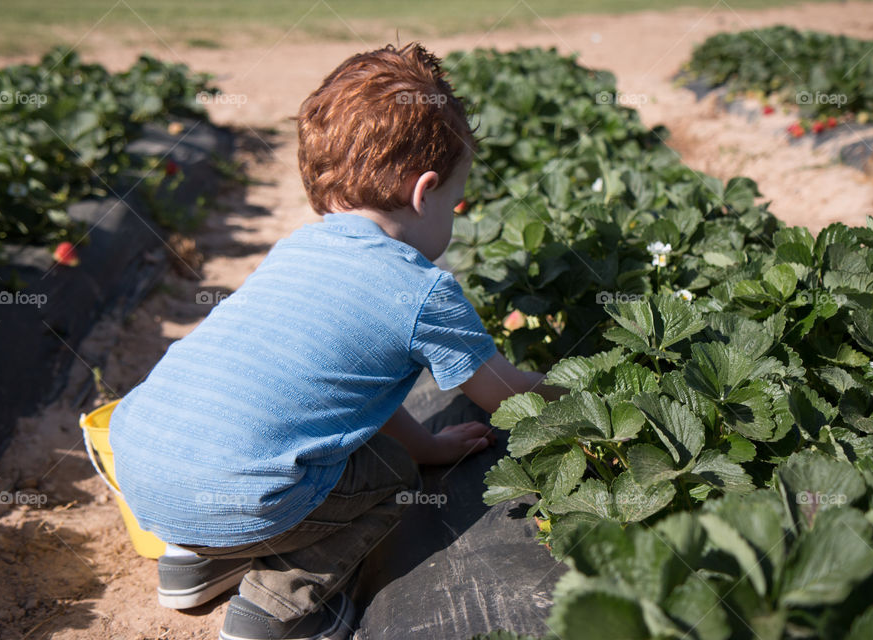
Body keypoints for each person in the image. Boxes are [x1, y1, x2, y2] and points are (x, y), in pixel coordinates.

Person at [109, 42, 559, 640]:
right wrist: (582, 392)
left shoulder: (294, 249)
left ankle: (193, 561)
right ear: (425, 192)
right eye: (457, 201)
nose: (454, 215)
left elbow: (344, 392)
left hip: (143, 476)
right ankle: (274, 608)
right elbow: (507, 399)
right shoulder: (423, 293)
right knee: (393, 475)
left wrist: (426, 440)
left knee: (278, 439)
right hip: (248, 499)